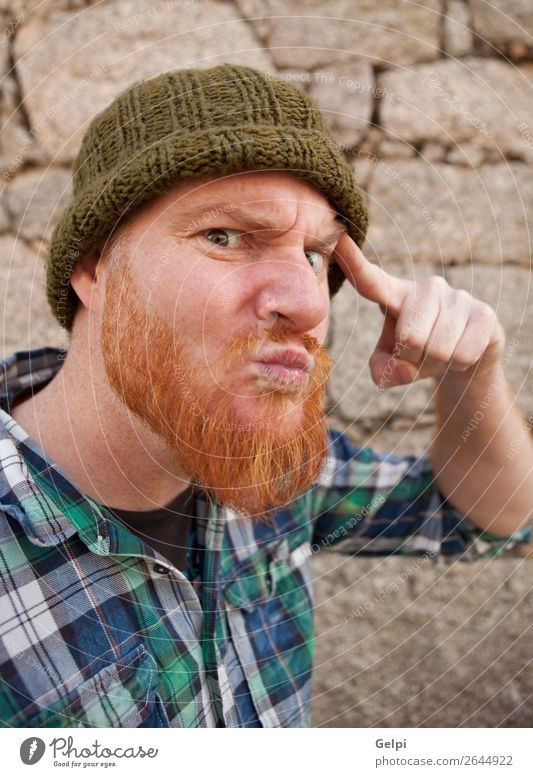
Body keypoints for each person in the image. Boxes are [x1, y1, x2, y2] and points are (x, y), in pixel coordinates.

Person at [0, 64, 531, 729]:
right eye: (223, 237)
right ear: (92, 268)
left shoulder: (273, 471)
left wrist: (471, 375)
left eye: (314, 252)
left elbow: (483, 515)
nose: (310, 302)